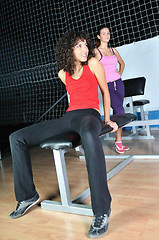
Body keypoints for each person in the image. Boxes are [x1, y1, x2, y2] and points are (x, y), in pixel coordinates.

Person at [9, 30, 118, 239]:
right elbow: (73, 98)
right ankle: (27, 196)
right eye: (79, 46)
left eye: (86, 44)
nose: (85, 49)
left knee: (88, 135)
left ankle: (102, 210)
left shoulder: (94, 64)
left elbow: (105, 91)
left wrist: (107, 119)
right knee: (16, 138)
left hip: (90, 115)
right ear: (69, 50)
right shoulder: (63, 73)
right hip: (69, 117)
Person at [95, 26, 129, 154]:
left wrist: (119, 73)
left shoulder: (113, 50)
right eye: (104, 33)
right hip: (107, 85)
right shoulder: (96, 51)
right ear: (99, 36)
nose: (107, 35)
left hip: (119, 84)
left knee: (118, 111)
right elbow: (92, 67)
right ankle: (118, 142)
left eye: (108, 33)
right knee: (120, 110)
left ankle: (118, 142)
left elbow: (122, 63)